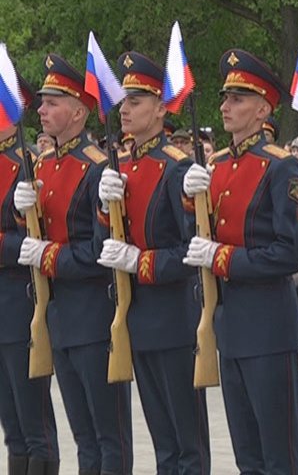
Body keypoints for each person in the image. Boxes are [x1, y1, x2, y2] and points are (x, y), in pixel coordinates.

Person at [181, 48, 298, 474]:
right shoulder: (217, 166)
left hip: (268, 326)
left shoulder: (280, 166)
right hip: (230, 327)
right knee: (247, 459)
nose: (225, 106)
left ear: (263, 109)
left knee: (278, 457)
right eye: (224, 97)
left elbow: (288, 252)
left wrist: (223, 257)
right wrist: (188, 201)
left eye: (237, 98)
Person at [13, 54, 132, 475]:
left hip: (94, 317)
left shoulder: (97, 170)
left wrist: (47, 255)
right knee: (83, 439)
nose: (41, 110)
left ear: (79, 112)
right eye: (41, 103)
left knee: (109, 438)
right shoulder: (44, 165)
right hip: (58, 317)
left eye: (51, 103)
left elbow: (102, 253)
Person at [96, 51, 210, 474]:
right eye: (123, 102)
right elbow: (103, 243)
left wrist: (138, 261)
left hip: (174, 319)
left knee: (188, 445)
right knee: (163, 445)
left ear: (161, 108)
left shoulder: (176, 168)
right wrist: (105, 213)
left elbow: (190, 251)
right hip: (137, 319)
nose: (124, 109)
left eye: (136, 101)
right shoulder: (120, 167)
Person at [1, 73, 60, 475]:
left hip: (18, 301)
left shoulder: (26, 164)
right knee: (12, 428)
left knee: (33, 425)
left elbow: (34, 237)